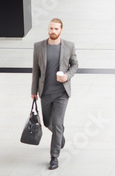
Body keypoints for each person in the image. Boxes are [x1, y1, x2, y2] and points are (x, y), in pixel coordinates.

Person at [31, 18, 79, 170]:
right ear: (48, 29)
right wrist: (33, 91)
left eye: (56, 29)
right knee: (47, 122)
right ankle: (60, 136)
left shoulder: (69, 46)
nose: (53, 31)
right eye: (51, 28)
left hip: (61, 93)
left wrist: (67, 76)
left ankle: (54, 157)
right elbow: (36, 70)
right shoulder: (39, 47)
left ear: (61, 30)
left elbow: (75, 64)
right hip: (45, 92)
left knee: (57, 124)